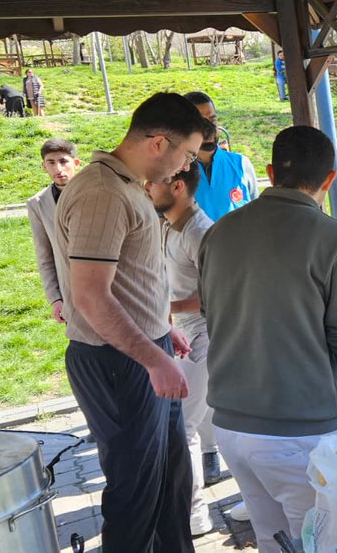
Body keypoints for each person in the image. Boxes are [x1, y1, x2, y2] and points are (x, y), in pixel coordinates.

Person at [198, 126, 337, 553]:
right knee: (323, 541)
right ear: (330, 178)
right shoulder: (334, 239)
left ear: (270, 172)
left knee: (273, 538)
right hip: (297, 431)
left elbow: (210, 310)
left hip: (231, 425)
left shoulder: (219, 233)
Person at [54, 92, 206, 553]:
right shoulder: (101, 192)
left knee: (170, 484)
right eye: (186, 154)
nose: (184, 168)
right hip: (120, 362)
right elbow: (91, 296)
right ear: (159, 142)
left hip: (144, 348)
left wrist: (162, 328)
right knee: (136, 494)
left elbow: (131, 280)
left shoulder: (126, 186)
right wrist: (154, 359)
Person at [145, 159, 217, 537]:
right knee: (208, 421)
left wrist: (163, 308)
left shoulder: (201, 233)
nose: (147, 187)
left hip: (206, 339)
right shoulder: (169, 226)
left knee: (182, 427)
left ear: (177, 187)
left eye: (154, 182)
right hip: (185, 337)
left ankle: (195, 515)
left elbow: (214, 296)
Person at [26, 139, 81, 325]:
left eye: (64, 161)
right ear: (43, 166)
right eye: (51, 162)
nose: (58, 168)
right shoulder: (37, 204)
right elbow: (44, 255)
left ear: (76, 163)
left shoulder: (99, 193)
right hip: (71, 291)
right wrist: (55, 298)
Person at [183, 91, 259, 222]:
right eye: (201, 122)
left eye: (212, 120)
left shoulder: (241, 164)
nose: (209, 128)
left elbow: (257, 217)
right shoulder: (175, 172)